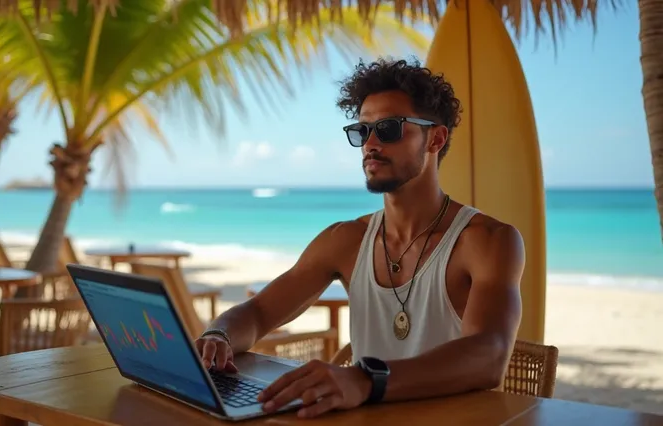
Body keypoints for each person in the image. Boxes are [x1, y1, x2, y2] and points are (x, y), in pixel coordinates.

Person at [194, 57, 525, 418]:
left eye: (388, 129)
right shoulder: (346, 240)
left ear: (435, 138)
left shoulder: (488, 241)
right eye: (362, 131)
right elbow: (258, 312)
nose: (370, 144)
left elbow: (489, 354)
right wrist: (219, 336)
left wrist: (365, 380)